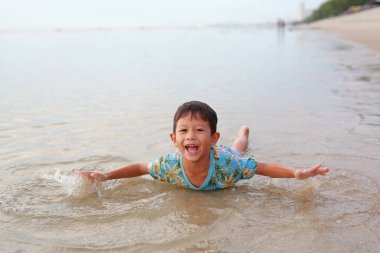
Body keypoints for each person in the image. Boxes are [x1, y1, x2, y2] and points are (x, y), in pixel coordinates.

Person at [78, 101, 329, 190]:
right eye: (184, 131)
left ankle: (243, 132)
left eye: (200, 131)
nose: (191, 136)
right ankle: (241, 134)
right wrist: (107, 176)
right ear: (174, 140)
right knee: (239, 149)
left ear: (213, 138)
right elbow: (142, 167)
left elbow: (262, 167)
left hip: (227, 155)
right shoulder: (169, 165)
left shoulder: (228, 164)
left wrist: (296, 174)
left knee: (239, 148)